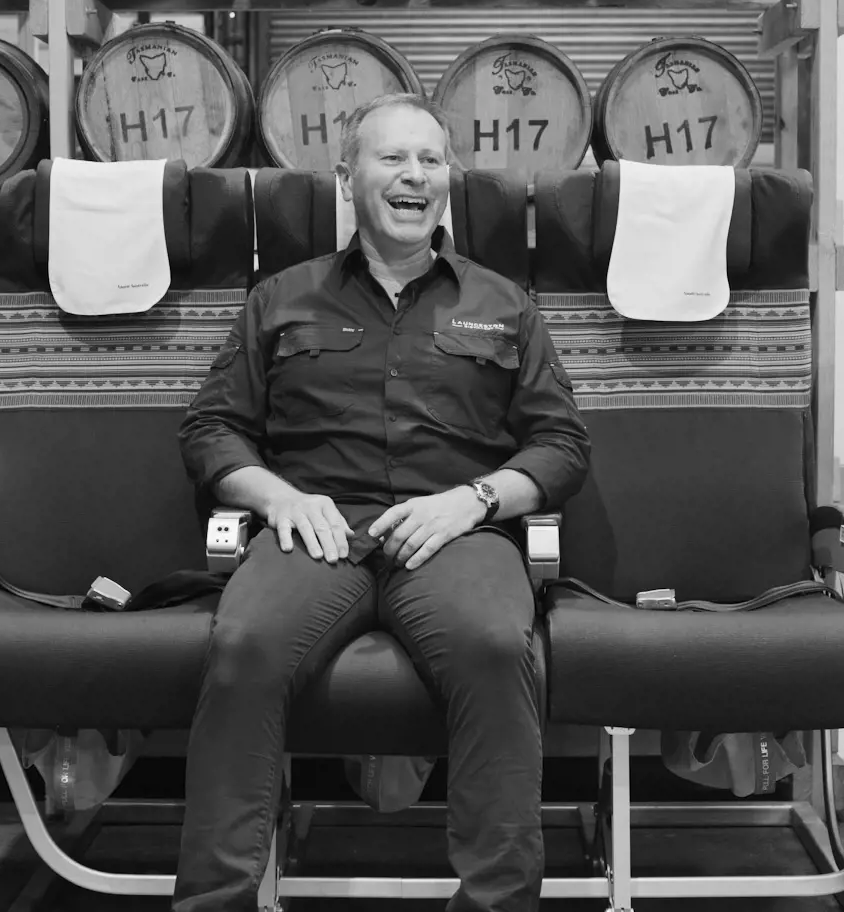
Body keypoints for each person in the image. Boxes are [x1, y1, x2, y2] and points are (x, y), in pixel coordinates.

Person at [174, 93, 591, 912]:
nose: (414, 176)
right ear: (347, 177)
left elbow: (563, 445)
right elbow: (211, 428)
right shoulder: (280, 298)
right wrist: (278, 495)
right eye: (392, 158)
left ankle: (499, 903)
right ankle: (214, 903)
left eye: (431, 160)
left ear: (450, 179)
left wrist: (474, 500)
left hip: (454, 534)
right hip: (315, 531)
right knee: (245, 645)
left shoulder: (503, 303)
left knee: (496, 646)